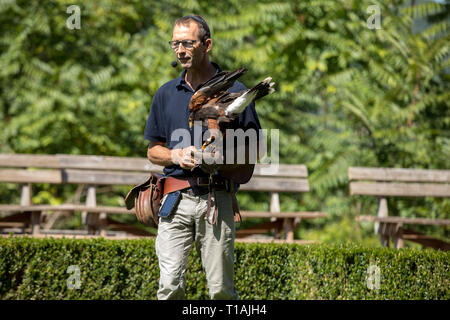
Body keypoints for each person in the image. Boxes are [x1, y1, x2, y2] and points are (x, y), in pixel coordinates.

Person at [144, 14, 262, 300]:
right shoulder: (166, 94)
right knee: (170, 286)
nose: (180, 50)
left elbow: (255, 148)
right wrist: (175, 154)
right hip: (174, 201)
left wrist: (220, 156)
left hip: (216, 199)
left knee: (221, 291)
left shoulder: (234, 92)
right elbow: (152, 151)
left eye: (187, 43)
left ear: (206, 44)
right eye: (175, 44)